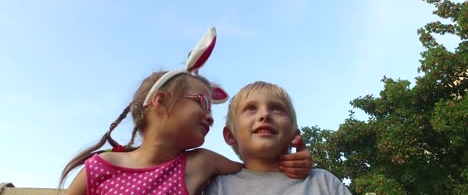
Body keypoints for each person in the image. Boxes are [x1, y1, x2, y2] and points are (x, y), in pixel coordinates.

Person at [59, 28, 312, 195]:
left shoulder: (202, 162)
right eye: (201, 102)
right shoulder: (102, 166)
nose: (210, 116)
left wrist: (295, 162)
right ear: (159, 101)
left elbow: (258, 167)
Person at [204, 81, 352, 195]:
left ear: (294, 135)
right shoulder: (219, 187)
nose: (265, 115)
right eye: (251, 109)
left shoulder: (323, 182)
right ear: (230, 135)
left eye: (276, 108)